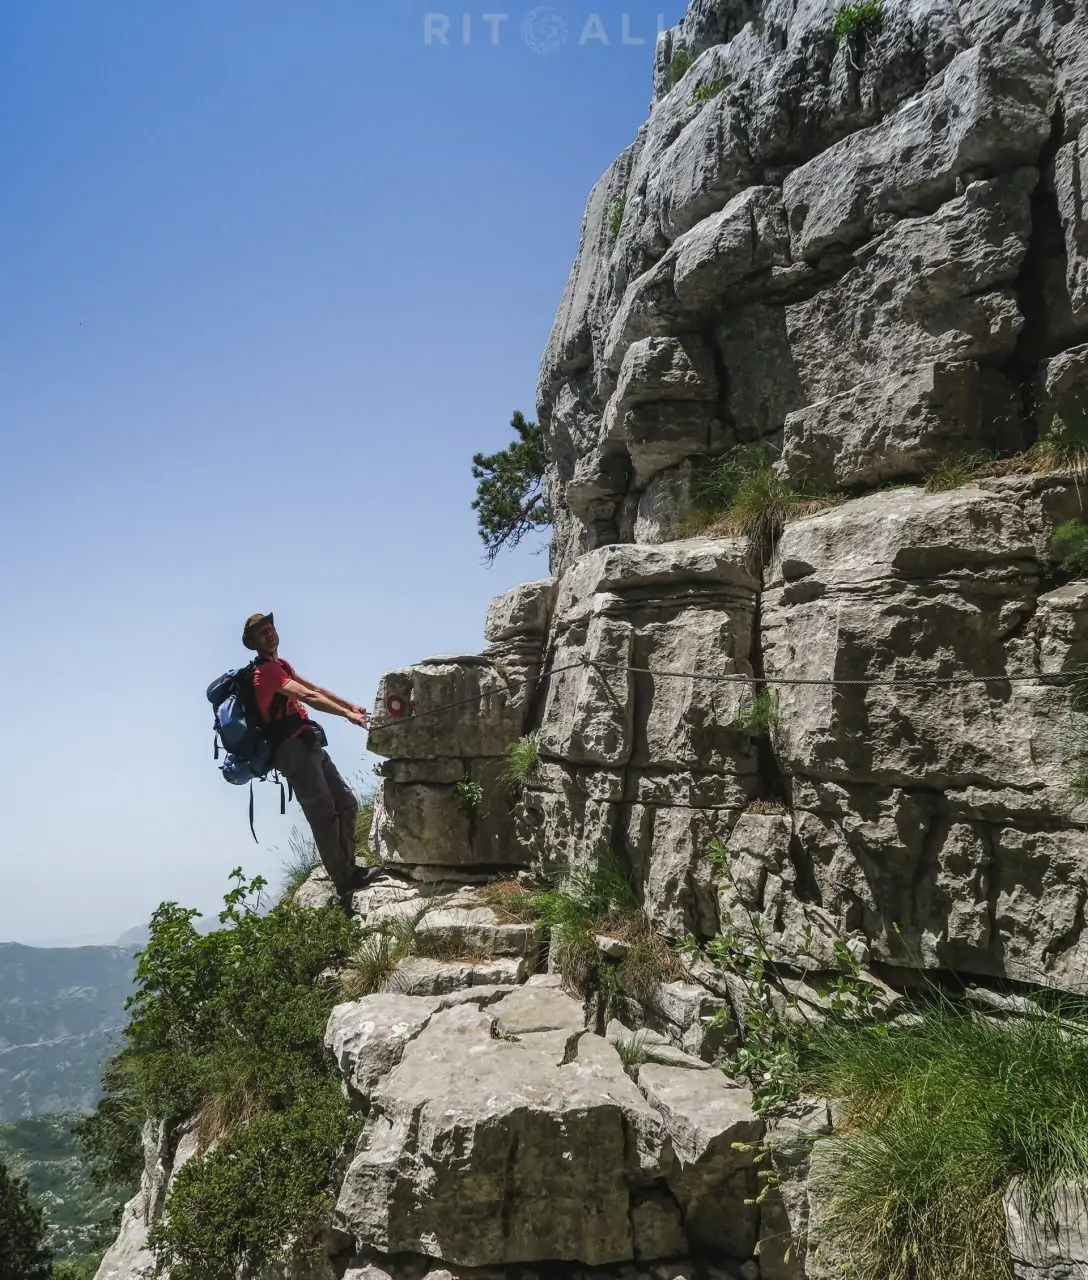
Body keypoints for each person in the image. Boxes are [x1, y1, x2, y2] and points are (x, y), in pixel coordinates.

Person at [241, 611, 369, 904]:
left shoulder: (281, 665)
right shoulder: (266, 672)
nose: (269, 633)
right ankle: (344, 879)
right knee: (324, 815)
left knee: (346, 802)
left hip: (308, 743)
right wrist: (347, 715)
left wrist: (349, 704)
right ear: (253, 642)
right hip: (292, 751)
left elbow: (314, 689)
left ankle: (349, 868)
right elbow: (308, 697)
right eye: (261, 633)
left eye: (269, 628)